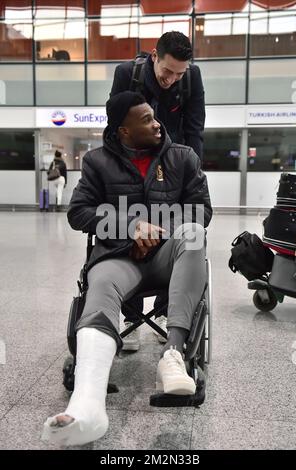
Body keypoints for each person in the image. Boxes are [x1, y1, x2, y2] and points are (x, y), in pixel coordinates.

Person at [42, 91, 212, 446]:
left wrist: (157, 228)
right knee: (99, 279)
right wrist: (132, 227)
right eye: (146, 119)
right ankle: (87, 404)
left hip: (170, 256)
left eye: (154, 116)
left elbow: (201, 210)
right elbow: (79, 213)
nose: (156, 123)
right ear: (123, 131)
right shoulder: (96, 161)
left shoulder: (183, 157)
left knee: (194, 234)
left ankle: (174, 355)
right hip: (120, 256)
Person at [110, 31, 206, 348]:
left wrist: (191, 172)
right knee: (129, 226)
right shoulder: (127, 74)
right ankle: (131, 316)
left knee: (176, 227)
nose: (172, 79)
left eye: (180, 73)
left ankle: (166, 308)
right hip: (132, 163)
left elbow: (194, 130)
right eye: (168, 71)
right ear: (155, 56)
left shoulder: (190, 79)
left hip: (174, 167)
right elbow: (114, 127)